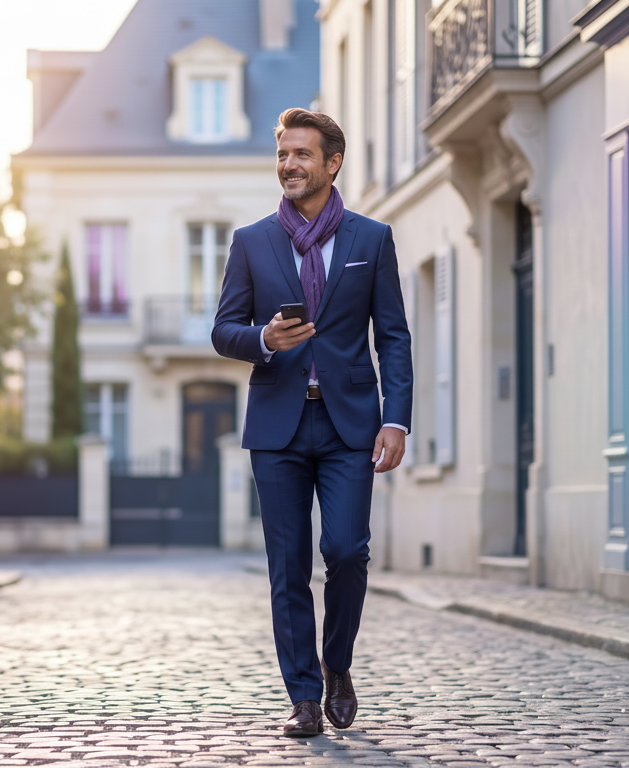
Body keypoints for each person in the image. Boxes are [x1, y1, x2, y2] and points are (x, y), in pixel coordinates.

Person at [211, 108, 413, 737]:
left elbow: (394, 336)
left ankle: (338, 667)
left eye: (302, 155)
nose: (289, 165)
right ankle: (302, 697)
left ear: (332, 163)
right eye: (283, 155)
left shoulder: (370, 239)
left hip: (350, 423)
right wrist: (264, 339)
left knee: (346, 552)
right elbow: (223, 331)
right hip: (278, 425)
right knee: (288, 562)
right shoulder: (251, 241)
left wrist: (396, 420)